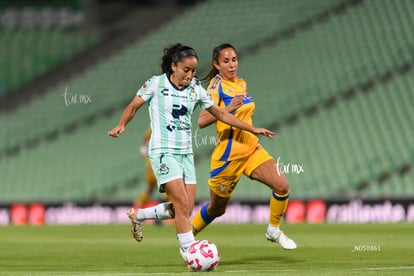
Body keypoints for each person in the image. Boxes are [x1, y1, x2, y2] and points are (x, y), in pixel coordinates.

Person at [107, 43, 274, 261]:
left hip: (186, 154)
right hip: (163, 152)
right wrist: (122, 124)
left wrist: (252, 128)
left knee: (183, 210)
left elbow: (220, 114)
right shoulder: (155, 83)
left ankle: (139, 215)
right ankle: (190, 253)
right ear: (174, 66)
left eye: (194, 71)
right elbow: (133, 106)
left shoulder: (195, 88)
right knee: (181, 202)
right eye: (186, 70)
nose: (190, 75)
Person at [190, 43, 297, 250]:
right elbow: (202, 121)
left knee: (282, 186)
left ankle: (273, 230)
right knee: (216, 209)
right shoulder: (215, 85)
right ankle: (187, 237)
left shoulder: (240, 83)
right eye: (226, 61)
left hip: (251, 149)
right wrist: (228, 107)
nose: (232, 65)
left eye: (234, 60)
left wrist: (252, 129)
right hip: (228, 156)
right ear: (216, 64)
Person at [133, 128, 169, 213]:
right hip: (156, 163)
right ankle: (171, 211)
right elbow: (145, 142)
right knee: (165, 188)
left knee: (150, 190)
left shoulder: (154, 129)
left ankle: (137, 209)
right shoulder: (155, 128)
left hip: (156, 163)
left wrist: (143, 150)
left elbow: (144, 145)